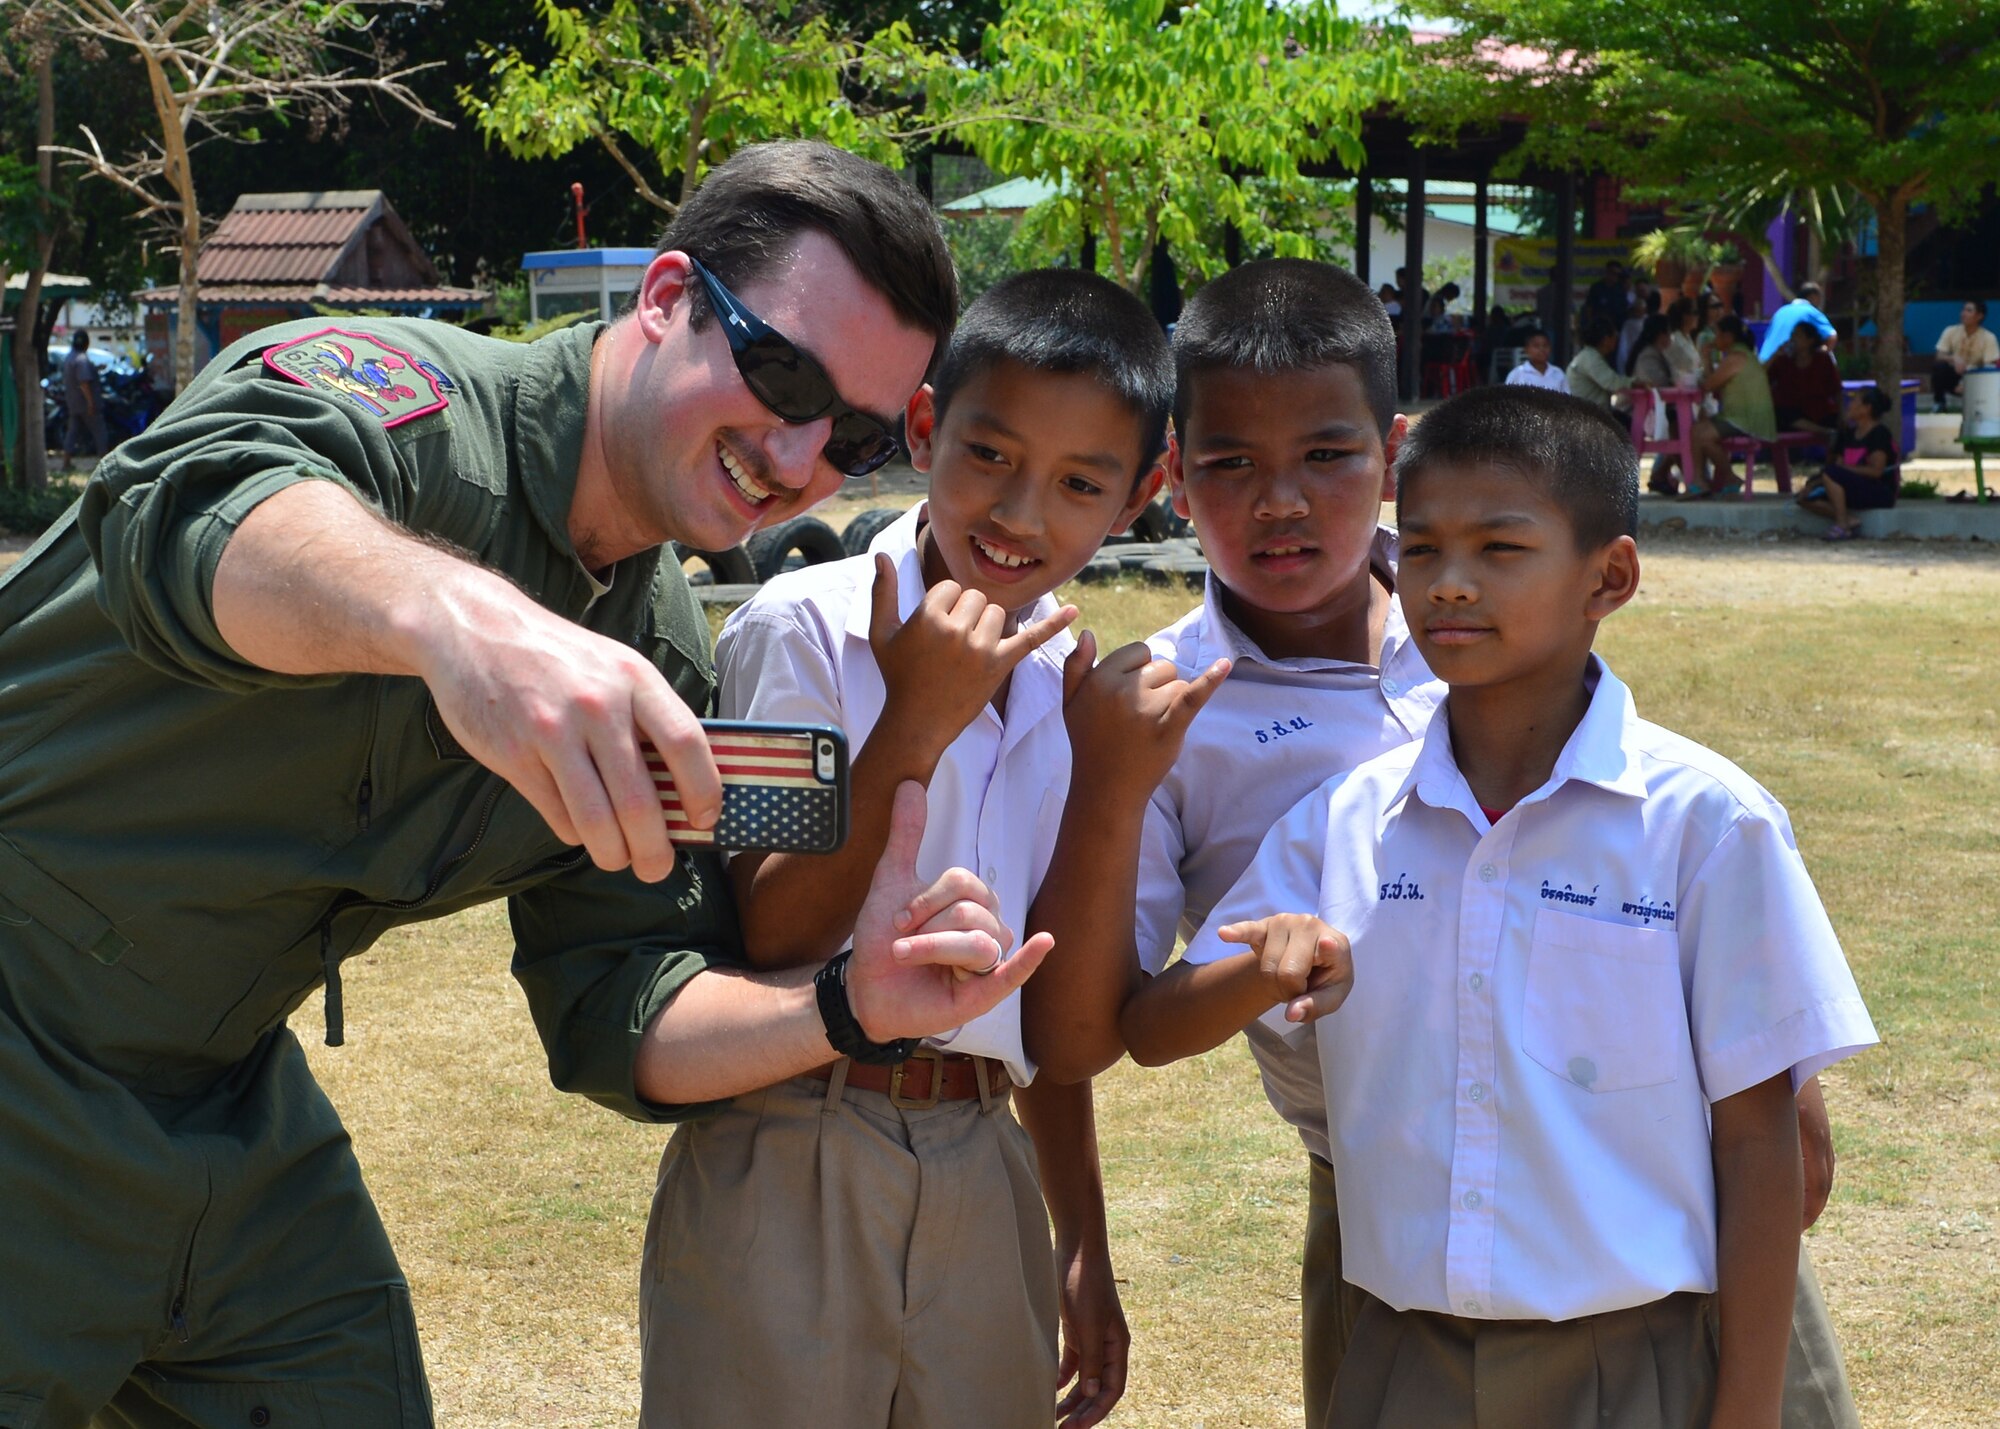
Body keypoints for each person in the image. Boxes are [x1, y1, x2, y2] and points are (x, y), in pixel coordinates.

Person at [0, 140, 1045, 1424]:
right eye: (779, 372)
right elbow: (196, 502)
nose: (797, 452)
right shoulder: (415, 410)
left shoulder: (658, 645)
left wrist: (845, 1005)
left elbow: (622, 994)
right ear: (664, 297)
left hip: (215, 1097)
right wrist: (454, 620)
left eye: (860, 435)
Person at [1130, 386, 1878, 1429]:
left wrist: (1743, 1411)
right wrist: (1259, 967)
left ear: (1606, 577)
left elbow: (1761, 1146)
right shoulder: (1344, 822)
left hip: (1649, 1355)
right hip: (1411, 1359)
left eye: (1499, 548)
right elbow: (1152, 1029)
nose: (1449, 584)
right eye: (1425, 549)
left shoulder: (1703, 824)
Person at [639, 269, 1174, 1429]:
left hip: (983, 1152)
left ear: (1138, 499)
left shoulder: (1058, 690)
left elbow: (1040, 1009)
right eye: (989, 455)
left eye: (1080, 484)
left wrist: (1078, 1232)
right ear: (924, 427)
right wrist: (915, 720)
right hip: (792, 1143)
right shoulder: (802, 628)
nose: (1021, 513)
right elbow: (776, 926)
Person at [1023, 257, 1426, 1427]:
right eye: (1230, 465)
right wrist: (1080, 1241)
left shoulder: (1483, 616)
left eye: (1326, 456)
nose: (1280, 501)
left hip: (1633, 1156)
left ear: (1389, 452)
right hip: (1375, 1200)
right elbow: (1078, 1020)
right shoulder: (1151, 710)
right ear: (1173, 481)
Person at [1688, 313, 1778, 497]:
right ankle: (1701, 479)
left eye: (1717, 334)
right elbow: (1714, 384)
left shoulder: (1735, 358)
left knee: (1700, 434)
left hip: (1747, 419)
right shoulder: (1743, 355)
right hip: (1744, 416)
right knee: (1697, 430)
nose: (1714, 339)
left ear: (1728, 337)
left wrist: (1705, 358)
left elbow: (1708, 385)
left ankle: (1722, 478)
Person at [1799, 385, 1899, 542]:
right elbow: (1835, 466)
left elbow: (1876, 471)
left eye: (1854, 401)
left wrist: (1841, 469)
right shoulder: (1847, 434)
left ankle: (1841, 525)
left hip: (1878, 490)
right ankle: (1848, 519)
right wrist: (1813, 484)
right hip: (1851, 486)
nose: (1849, 405)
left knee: (1833, 473)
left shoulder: (1879, 434)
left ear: (1867, 408)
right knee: (1804, 496)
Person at [1768, 325, 1844, 438]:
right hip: (1790, 413)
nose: (1793, 339)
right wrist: (1775, 356)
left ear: (1810, 340)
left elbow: (1836, 389)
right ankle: (1823, 431)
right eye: (1792, 335)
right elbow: (1766, 378)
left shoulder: (1823, 360)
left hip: (1819, 411)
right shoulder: (1783, 361)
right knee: (1779, 414)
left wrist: (1842, 415)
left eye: (1798, 335)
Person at [1931, 299, 1999, 410]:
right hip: (1954, 375)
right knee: (1939, 366)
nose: (1963, 314)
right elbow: (1939, 354)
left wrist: (1966, 380)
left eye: (1969, 311)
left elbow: (1990, 366)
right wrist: (1953, 358)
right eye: (1963, 310)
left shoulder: (1989, 338)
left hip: (1976, 378)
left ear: (1979, 316)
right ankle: (1939, 403)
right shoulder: (1951, 331)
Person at [60, 328, 109, 472]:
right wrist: (91, 403)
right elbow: (84, 383)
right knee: (99, 431)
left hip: (73, 403)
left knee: (72, 432)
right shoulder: (82, 360)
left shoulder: (70, 358)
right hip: (85, 404)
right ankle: (105, 465)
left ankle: (66, 463)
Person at [1756, 281, 1838, 363]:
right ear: (1813, 297)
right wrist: (1821, 355)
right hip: (1788, 366)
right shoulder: (1811, 311)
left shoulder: (1780, 312)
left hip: (1764, 364)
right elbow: (1832, 336)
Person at [1564, 317, 1634, 410]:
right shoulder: (1590, 358)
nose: (1616, 339)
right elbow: (1612, 383)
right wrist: (1634, 382)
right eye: (1614, 336)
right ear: (1606, 339)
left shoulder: (1590, 355)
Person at [1504, 330, 1569, 393]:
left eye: (1545, 345)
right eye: (1536, 346)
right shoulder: (1517, 374)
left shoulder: (1558, 373)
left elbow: (1567, 398)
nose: (1542, 349)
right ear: (1526, 350)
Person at [1584, 259, 1629, 332]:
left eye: (1618, 274)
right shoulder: (1597, 287)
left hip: (1617, 327)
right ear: (1607, 272)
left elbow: (1624, 308)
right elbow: (1589, 307)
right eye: (1613, 273)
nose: (1615, 276)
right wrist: (1591, 324)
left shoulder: (1620, 288)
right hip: (1599, 327)